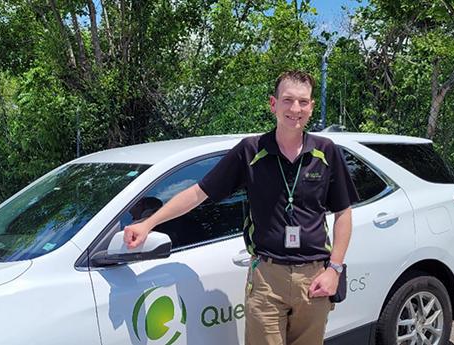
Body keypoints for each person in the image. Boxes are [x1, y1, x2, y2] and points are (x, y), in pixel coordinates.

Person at [124, 70, 359, 345]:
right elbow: (199, 193)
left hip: (315, 277)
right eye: (288, 100)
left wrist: (334, 270)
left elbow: (343, 213)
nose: (295, 109)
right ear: (273, 104)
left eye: (303, 102)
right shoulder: (250, 151)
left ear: (311, 107)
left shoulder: (326, 151)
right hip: (267, 277)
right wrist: (148, 223)